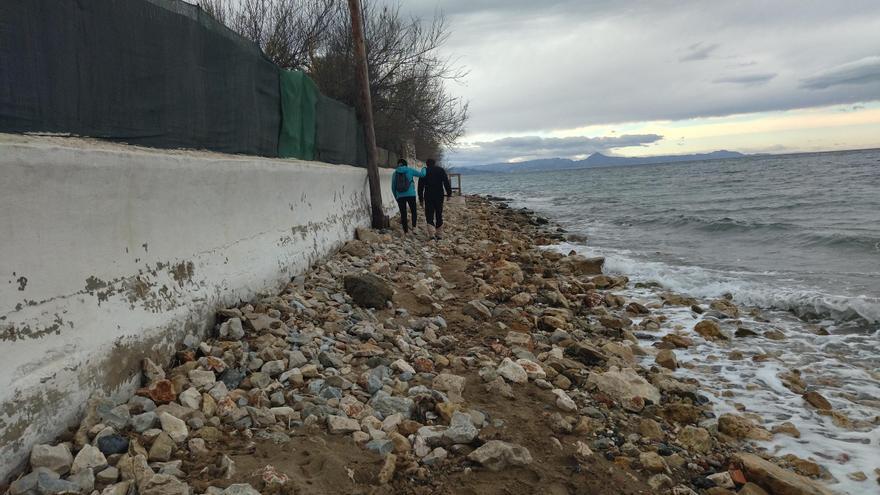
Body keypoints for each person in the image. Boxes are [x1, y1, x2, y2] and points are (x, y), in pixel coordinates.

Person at [417, 158, 452, 239]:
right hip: (439, 194)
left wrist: (421, 199)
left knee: (429, 213)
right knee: (439, 212)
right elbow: (446, 182)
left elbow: (420, 187)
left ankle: (432, 234)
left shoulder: (424, 171)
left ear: (426, 164)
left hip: (428, 194)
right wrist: (449, 194)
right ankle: (439, 234)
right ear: (435, 163)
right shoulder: (440, 170)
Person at [391, 158, 426, 234]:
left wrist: (396, 197)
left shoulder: (395, 173)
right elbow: (422, 175)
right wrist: (424, 168)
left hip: (400, 196)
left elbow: (393, 187)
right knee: (413, 211)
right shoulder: (410, 170)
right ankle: (414, 227)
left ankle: (406, 231)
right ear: (406, 164)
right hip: (411, 194)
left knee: (403, 213)